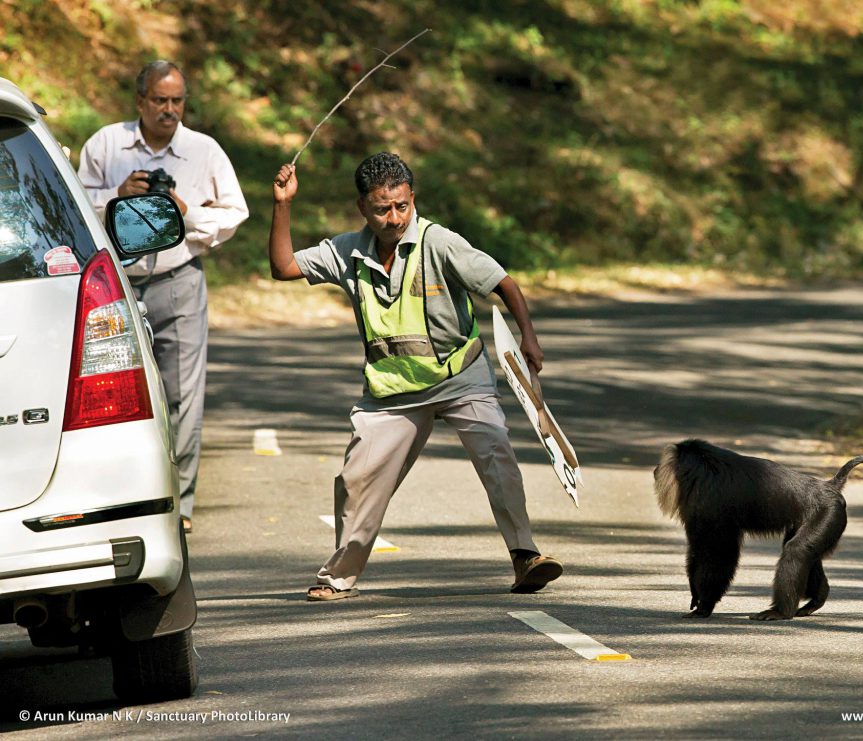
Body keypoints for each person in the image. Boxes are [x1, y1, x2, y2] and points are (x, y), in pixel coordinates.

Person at [268, 152, 563, 599]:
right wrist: (283, 204)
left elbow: (503, 282)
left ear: (412, 199)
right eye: (382, 208)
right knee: (355, 481)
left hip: (459, 376)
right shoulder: (347, 250)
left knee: (496, 451)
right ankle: (339, 577)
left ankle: (526, 555)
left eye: (402, 206)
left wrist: (529, 337)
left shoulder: (438, 242)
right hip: (391, 393)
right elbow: (283, 267)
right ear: (363, 208)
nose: (394, 217)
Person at [78, 60, 249, 533]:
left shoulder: (203, 151)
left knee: (183, 395)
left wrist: (187, 214)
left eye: (177, 101)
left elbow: (236, 212)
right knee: (109, 391)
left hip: (180, 279)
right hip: (116, 283)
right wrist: (116, 194)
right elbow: (72, 203)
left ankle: (182, 503)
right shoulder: (106, 145)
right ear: (140, 101)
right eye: (159, 100)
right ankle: (115, 497)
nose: (169, 110)